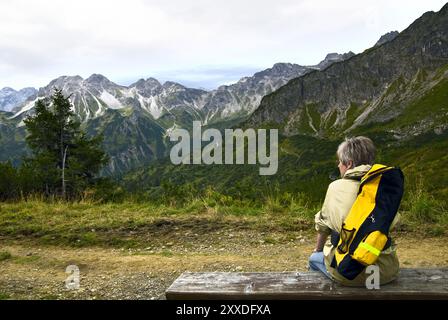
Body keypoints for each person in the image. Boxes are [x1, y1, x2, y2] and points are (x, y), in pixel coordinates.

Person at [309, 136, 400, 286]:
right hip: (384, 272)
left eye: (340, 162)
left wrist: (317, 250)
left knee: (313, 260)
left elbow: (323, 225)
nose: (338, 165)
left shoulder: (335, 187)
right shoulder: (383, 188)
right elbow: (393, 221)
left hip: (347, 272)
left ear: (349, 164)